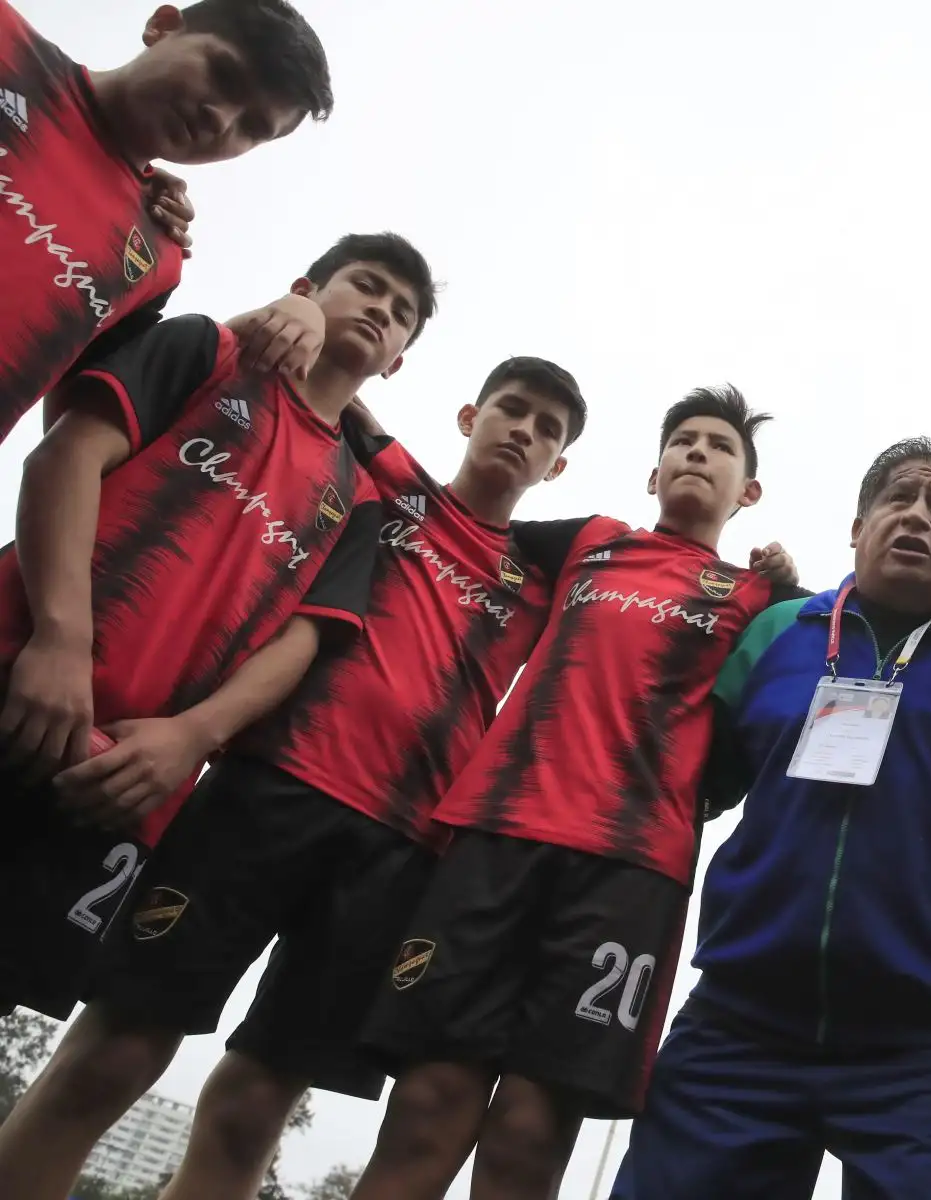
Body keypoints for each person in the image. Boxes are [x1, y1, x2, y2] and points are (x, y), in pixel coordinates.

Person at [10, 357, 590, 1200]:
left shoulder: (551, 572)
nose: (524, 431)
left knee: (255, 1105)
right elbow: (317, 373)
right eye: (512, 409)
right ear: (471, 416)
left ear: (558, 465)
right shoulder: (389, 483)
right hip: (266, 791)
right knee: (114, 1054)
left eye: (548, 430)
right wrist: (297, 311)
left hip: (400, 851)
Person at [0, 232, 433, 1200]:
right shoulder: (210, 352)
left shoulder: (362, 496)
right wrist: (59, 640)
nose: (382, 309)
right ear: (304, 290)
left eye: (402, 312)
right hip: (20, 679)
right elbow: (65, 453)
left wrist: (190, 741)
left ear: (401, 358)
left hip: (124, 779)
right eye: (367, 285)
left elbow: (307, 642)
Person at [347, 386, 804, 1200]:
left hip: (630, 875)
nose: (698, 453)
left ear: (749, 493)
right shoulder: (591, 542)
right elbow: (456, 518)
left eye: (720, 448)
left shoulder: (767, 605)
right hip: (495, 839)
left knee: (530, 1129)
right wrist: (345, 395)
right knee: (429, 1101)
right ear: (654, 471)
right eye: (684, 441)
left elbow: (837, 658)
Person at [611, 437, 931, 1200]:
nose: (916, 517)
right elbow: (681, 796)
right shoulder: (777, 632)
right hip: (737, 1031)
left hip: (927, 1053)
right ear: (857, 529)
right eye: (898, 499)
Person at [0, 0, 333, 443]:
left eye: (253, 126)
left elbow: (84, 419)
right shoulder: (9, 48)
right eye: (224, 75)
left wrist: (300, 312)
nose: (222, 118)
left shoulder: (157, 256)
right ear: (161, 25)